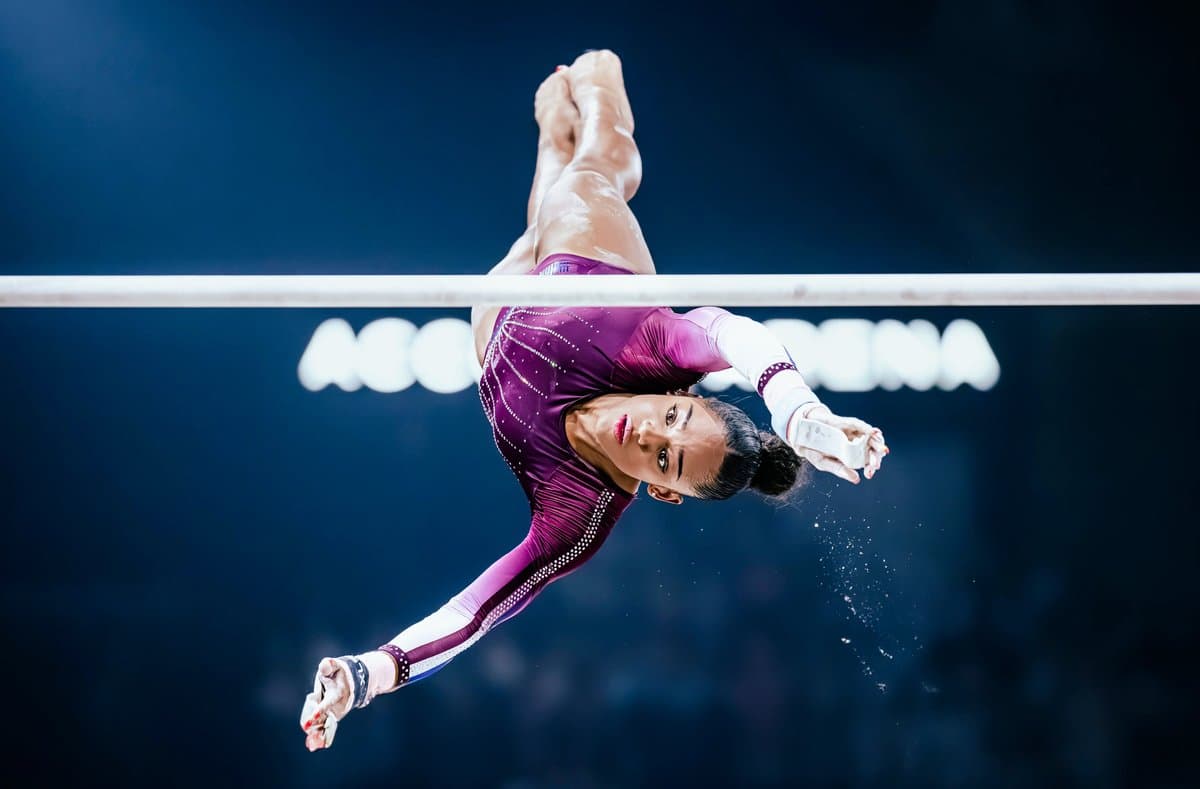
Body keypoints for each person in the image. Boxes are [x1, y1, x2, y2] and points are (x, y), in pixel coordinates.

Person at [300, 51, 886, 751]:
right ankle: (598, 81)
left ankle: (553, 136)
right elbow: (736, 334)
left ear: (662, 491)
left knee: (534, 219)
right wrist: (799, 413)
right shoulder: (657, 344)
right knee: (594, 167)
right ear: (679, 393)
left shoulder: (578, 514)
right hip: (589, 261)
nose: (651, 435)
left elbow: (476, 613)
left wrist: (368, 674)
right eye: (674, 417)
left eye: (666, 461)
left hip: (500, 324)